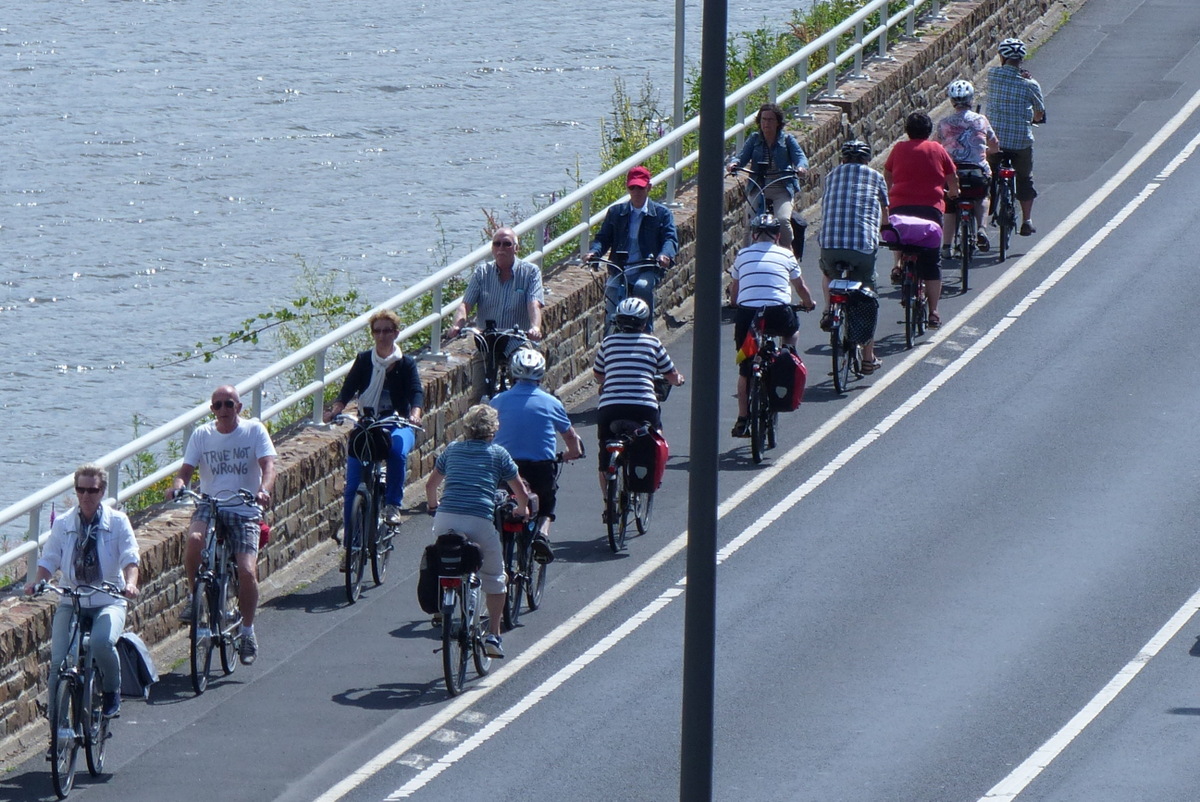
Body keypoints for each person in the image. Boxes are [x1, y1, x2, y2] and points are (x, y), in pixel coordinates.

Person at [169, 385, 276, 666]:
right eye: (218, 405)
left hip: (244, 507)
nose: (224, 409)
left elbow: (268, 466)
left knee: (247, 570)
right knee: (194, 540)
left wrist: (263, 490)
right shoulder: (202, 435)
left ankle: (247, 631)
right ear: (212, 410)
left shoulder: (254, 431)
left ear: (239, 407)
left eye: (229, 404)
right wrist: (178, 487)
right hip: (211, 504)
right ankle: (194, 597)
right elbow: (185, 471)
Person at [25, 464, 140, 720]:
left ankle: (111, 690)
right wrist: (38, 582)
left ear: (102, 491)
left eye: (92, 490)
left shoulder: (118, 521)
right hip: (72, 599)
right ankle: (57, 724)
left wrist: (130, 584)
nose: (86, 496)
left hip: (107, 599)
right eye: (81, 490)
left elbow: (130, 558)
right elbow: (50, 559)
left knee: (101, 642)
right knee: (58, 662)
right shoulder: (64, 523)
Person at [425, 405, 532, 659]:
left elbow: (431, 486)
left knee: (446, 560)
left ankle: (444, 602)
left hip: (445, 518)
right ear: (493, 430)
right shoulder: (498, 454)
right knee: (495, 577)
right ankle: (493, 635)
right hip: (479, 520)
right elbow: (520, 491)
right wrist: (522, 509)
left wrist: (433, 506)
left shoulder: (452, 450)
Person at [323, 309, 424, 532]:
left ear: (396, 333)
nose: (381, 336)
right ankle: (350, 543)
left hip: (397, 422)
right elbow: (347, 390)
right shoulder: (364, 360)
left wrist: (415, 414)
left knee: (397, 452)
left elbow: (416, 392)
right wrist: (335, 410)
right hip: (368, 422)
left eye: (387, 331)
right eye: (377, 331)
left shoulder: (405, 364)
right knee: (352, 487)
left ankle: (392, 505)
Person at [490, 349, 585, 564]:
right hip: (540, 467)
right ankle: (542, 534)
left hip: (504, 466)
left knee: (497, 504)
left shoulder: (497, 401)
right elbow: (571, 438)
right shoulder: (551, 403)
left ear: (513, 373)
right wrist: (571, 454)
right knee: (546, 503)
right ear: (541, 375)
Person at [729, 214, 817, 437]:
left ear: (753, 235)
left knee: (745, 369)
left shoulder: (742, 255)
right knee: (792, 331)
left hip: (748, 315)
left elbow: (734, 292)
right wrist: (809, 303)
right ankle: (788, 353)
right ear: (778, 236)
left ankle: (742, 419)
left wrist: (735, 303)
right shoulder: (786, 254)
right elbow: (800, 287)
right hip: (778, 311)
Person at [592, 297, 684, 505]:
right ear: (644, 322)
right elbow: (671, 375)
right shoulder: (653, 343)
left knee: (605, 454)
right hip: (643, 406)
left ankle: (609, 503)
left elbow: (598, 374)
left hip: (610, 407)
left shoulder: (608, 343)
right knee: (655, 438)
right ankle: (652, 477)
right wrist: (679, 379)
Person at [818, 140, 889, 372]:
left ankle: (829, 310)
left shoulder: (831, 176)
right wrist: (884, 230)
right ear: (867, 160)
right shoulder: (876, 177)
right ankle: (868, 358)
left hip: (829, 244)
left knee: (828, 273)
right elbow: (885, 213)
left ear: (843, 159)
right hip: (861, 247)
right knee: (868, 294)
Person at [883, 111, 960, 328]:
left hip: (900, 207)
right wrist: (954, 192)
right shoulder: (937, 149)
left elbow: (887, 174)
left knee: (902, 236)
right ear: (928, 130)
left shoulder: (898, 148)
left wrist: (889, 193)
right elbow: (952, 176)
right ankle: (934, 312)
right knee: (932, 263)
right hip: (930, 211)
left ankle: (899, 265)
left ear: (907, 131)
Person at [587, 166, 679, 332]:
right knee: (611, 298)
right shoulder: (615, 212)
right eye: (632, 187)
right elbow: (603, 238)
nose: (636, 192)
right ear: (627, 188)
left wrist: (664, 255)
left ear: (649, 187)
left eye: (640, 187)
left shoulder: (662, 214)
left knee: (642, 287)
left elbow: (670, 239)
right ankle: (609, 340)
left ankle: (646, 333)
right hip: (620, 268)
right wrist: (594, 252)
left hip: (646, 267)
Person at [727, 102, 811, 260]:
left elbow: (801, 158)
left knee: (783, 220)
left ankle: (787, 255)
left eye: (770, 120)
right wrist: (734, 164)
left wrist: (801, 168)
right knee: (750, 222)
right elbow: (741, 157)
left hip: (781, 189)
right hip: (758, 187)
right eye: (763, 119)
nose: (766, 123)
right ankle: (744, 258)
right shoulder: (754, 139)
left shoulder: (787, 140)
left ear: (778, 122)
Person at [986, 37, 1046, 236]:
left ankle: (985, 214)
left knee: (989, 174)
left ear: (1002, 57)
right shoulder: (1031, 85)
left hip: (995, 140)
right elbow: (1039, 113)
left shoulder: (992, 75)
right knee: (1024, 178)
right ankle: (1027, 220)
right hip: (1020, 141)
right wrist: (1033, 119)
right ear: (1021, 59)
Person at [447, 226, 545, 341]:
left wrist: (535, 328)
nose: (501, 248)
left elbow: (534, 304)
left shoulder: (531, 272)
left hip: (517, 341)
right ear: (492, 248)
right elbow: (465, 305)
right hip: (487, 341)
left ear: (516, 248)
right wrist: (457, 326)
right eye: (497, 244)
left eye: (507, 244)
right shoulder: (482, 272)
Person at [936, 79, 1000, 252]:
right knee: (983, 196)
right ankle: (982, 229)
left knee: (950, 207)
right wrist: (987, 152)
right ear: (971, 99)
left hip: (953, 174)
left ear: (952, 100)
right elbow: (994, 145)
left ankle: (946, 246)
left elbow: (936, 146)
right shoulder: (981, 120)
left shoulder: (944, 123)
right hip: (976, 173)